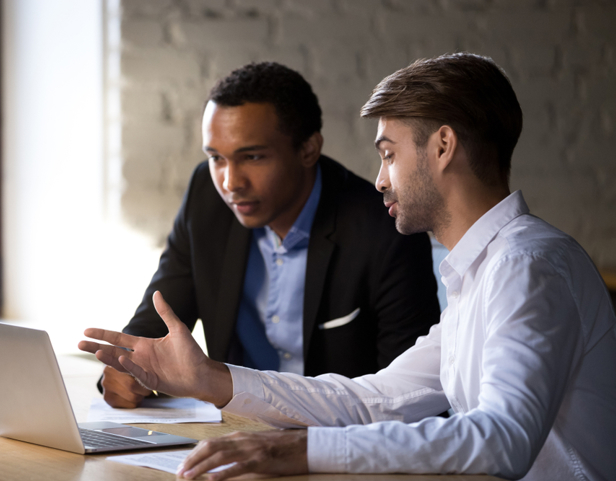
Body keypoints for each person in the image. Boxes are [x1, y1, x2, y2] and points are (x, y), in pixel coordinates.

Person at [80, 52, 616, 480]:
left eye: (388, 154)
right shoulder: (486, 271)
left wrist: (306, 451)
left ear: (443, 147)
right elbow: (374, 397)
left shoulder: (528, 266)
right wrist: (211, 378)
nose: (380, 178)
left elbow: (502, 441)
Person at [100, 62, 441, 409]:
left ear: (309, 149)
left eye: (253, 157)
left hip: (337, 439)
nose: (231, 183)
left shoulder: (384, 229)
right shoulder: (207, 196)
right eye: (217, 158)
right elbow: (160, 314)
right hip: (234, 428)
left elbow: (410, 398)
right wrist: (128, 366)